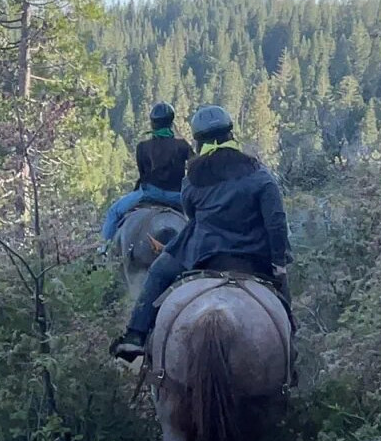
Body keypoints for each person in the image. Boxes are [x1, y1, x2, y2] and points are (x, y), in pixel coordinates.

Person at [111, 105, 292, 362]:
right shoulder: (261, 176)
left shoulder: (193, 179)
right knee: (283, 297)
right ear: (231, 135)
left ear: (199, 142)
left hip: (203, 252)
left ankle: (135, 336)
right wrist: (279, 263)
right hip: (253, 256)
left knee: (158, 273)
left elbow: (190, 213)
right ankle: (290, 347)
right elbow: (275, 222)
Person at [101, 102, 193, 241]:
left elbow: (143, 174)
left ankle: (103, 250)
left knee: (114, 212)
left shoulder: (143, 147)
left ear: (152, 123)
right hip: (177, 197)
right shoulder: (182, 145)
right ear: (171, 122)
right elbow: (194, 167)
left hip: (149, 194)